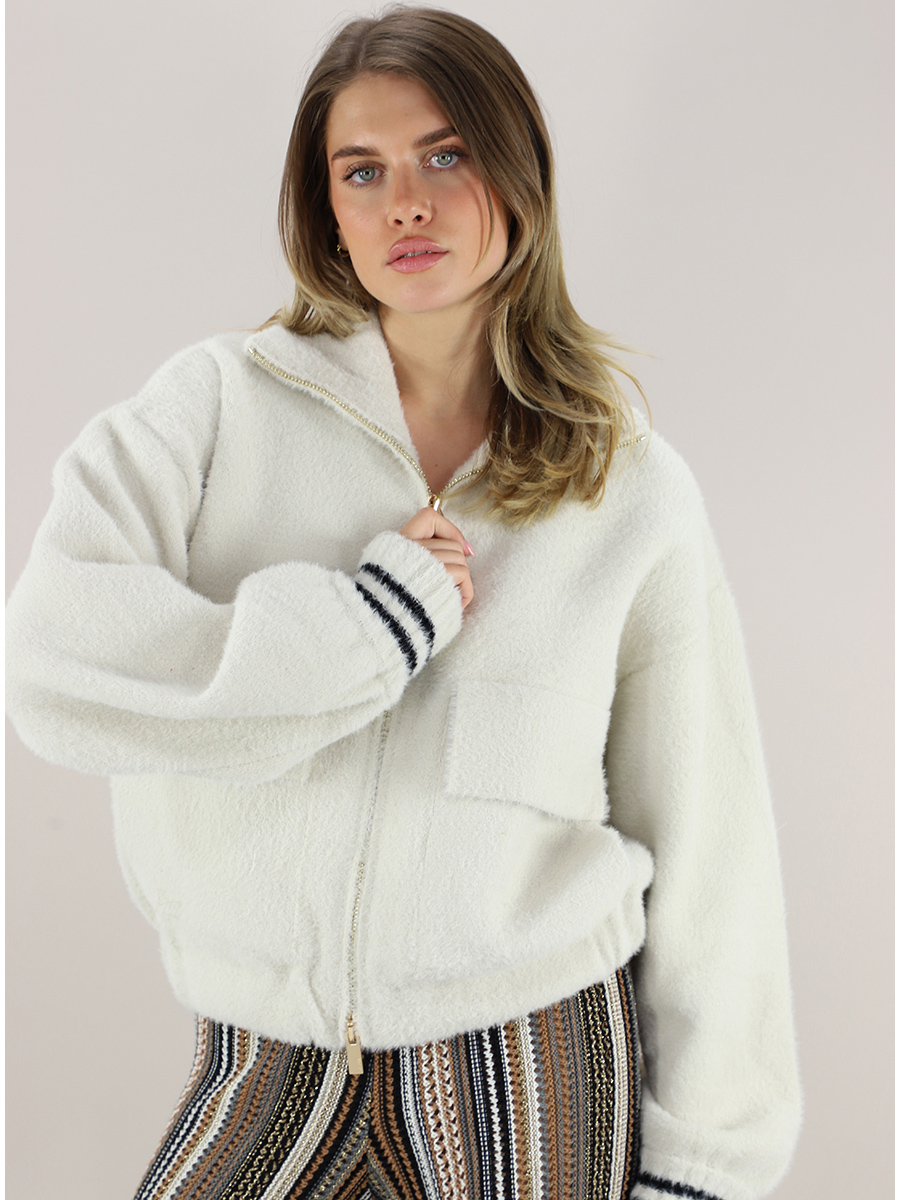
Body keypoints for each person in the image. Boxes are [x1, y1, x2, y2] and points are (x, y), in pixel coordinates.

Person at [6, 7, 801, 1199]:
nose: (406, 205)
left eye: (445, 155)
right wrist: (363, 627)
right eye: (362, 171)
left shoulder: (624, 484)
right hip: (265, 1049)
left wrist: (706, 1158)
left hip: (528, 1049)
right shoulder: (212, 409)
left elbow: (710, 833)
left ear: (517, 173)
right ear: (325, 208)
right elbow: (54, 666)